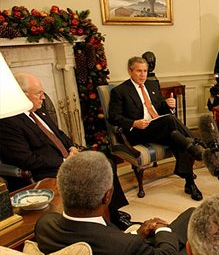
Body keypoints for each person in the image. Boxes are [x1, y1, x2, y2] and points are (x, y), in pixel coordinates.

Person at [35, 151, 197, 255]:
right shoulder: (126, 247)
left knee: (191, 215)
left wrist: (134, 235)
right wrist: (162, 228)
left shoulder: (45, 225)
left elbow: (105, 242)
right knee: (195, 226)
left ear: (60, 190)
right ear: (107, 196)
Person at [0, 73, 131, 229]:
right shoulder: (8, 122)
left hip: (68, 159)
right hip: (47, 171)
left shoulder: (39, 111)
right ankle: (104, 220)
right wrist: (63, 161)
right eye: (38, 93)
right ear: (23, 95)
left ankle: (112, 211)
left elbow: (59, 134)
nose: (43, 97)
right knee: (97, 172)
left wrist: (72, 147)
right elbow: (25, 159)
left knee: (106, 162)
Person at [108, 56, 203, 201]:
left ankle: (190, 184)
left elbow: (160, 108)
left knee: (178, 138)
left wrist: (168, 104)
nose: (143, 75)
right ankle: (199, 145)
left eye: (145, 71)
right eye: (139, 71)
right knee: (172, 123)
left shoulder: (152, 85)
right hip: (140, 131)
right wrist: (134, 123)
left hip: (159, 127)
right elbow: (113, 117)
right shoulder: (120, 91)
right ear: (130, 71)